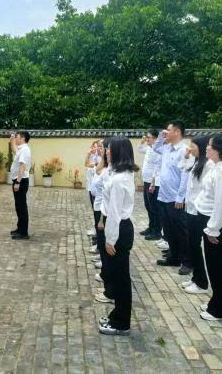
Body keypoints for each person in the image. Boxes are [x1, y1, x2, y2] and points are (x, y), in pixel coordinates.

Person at [98, 136, 139, 336]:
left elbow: (114, 213)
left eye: (110, 149)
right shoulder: (121, 174)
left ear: (118, 152)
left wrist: (110, 239)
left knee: (121, 278)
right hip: (120, 226)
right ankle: (117, 315)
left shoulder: (119, 180)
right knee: (118, 276)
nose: (106, 151)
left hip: (119, 228)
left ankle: (121, 323)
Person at [195, 134, 222, 321]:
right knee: (213, 266)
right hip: (210, 220)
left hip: (217, 223)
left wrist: (213, 229)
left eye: (210, 146)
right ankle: (217, 301)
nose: (206, 148)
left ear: (219, 149)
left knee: (218, 267)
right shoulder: (216, 166)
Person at [152, 121, 191, 275]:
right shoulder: (167, 147)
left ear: (177, 131)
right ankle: (174, 257)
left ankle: (187, 261)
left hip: (176, 198)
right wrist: (160, 137)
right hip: (164, 195)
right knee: (168, 230)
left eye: (168, 130)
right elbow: (155, 148)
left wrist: (180, 197)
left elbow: (185, 176)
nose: (165, 132)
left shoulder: (184, 150)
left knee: (181, 231)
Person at [179, 135, 212, 295]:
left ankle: (202, 282)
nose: (190, 148)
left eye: (193, 146)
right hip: (191, 209)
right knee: (192, 245)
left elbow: (206, 191)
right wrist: (186, 157)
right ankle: (196, 278)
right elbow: (182, 168)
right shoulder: (197, 162)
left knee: (195, 246)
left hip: (198, 211)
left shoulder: (208, 165)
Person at [91, 139, 113, 304]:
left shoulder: (111, 172)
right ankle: (106, 273)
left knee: (106, 244)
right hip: (99, 205)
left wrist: (101, 219)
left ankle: (109, 285)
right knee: (101, 240)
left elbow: (110, 201)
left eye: (104, 148)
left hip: (104, 210)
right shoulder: (106, 166)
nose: (103, 151)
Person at [137, 130, 162, 240]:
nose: (147, 139)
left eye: (149, 137)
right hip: (147, 182)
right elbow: (139, 149)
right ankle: (151, 227)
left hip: (153, 183)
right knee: (148, 206)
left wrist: (153, 183)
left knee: (154, 208)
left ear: (155, 138)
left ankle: (157, 231)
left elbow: (157, 168)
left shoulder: (158, 151)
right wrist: (142, 141)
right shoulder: (149, 148)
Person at [9, 131, 32, 240]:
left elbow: (22, 166)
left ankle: (23, 232)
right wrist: (12, 141)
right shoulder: (22, 149)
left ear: (22, 138)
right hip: (19, 180)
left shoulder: (25, 150)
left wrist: (17, 182)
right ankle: (20, 228)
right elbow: (15, 150)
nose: (16, 138)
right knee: (18, 206)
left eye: (17, 137)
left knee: (22, 207)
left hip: (21, 181)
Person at [85, 141, 101, 240]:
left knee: (97, 211)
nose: (96, 149)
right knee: (94, 209)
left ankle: (98, 232)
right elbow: (86, 163)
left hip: (97, 190)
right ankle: (96, 229)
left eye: (98, 147)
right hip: (91, 187)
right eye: (94, 147)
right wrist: (88, 153)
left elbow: (89, 165)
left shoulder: (100, 159)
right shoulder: (93, 157)